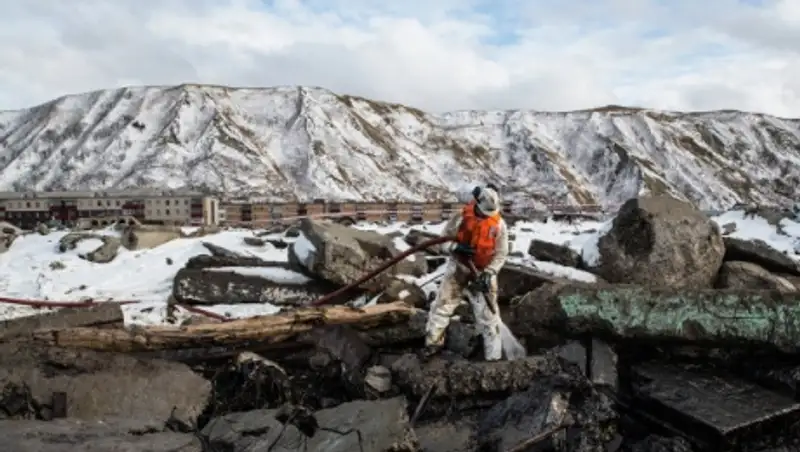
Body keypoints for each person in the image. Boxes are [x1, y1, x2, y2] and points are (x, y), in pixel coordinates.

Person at [424, 185, 510, 361]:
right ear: (477, 204)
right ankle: (432, 345)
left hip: (483, 272)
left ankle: (493, 358)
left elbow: (501, 253)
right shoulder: (461, 217)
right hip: (459, 268)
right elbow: (442, 242)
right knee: (442, 306)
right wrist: (455, 247)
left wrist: (489, 273)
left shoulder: (499, 225)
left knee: (489, 317)